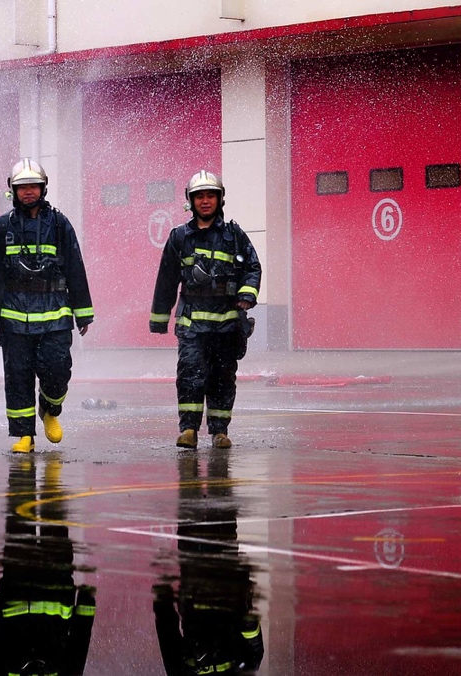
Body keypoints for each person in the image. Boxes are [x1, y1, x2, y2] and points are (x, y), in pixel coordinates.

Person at [0, 159, 94, 453]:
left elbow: (75, 268)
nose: (28, 192)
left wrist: (82, 310)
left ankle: (50, 409)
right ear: (13, 191)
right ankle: (24, 435)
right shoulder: (0, 227)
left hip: (55, 314)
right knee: (17, 376)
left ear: (43, 188)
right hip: (14, 317)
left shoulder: (59, 224)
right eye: (22, 187)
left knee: (57, 369)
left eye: (33, 186)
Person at [149, 170, 261, 450]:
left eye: (211, 195)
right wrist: (159, 318)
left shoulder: (234, 236)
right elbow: (166, 279)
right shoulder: (179, 238)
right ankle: (188, 429)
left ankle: (220, 431)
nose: (206, 201)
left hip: (226, 323)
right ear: (191, 201)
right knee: (190, 373)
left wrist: (248, 293)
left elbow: (252, 267)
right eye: (200, 196)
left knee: (222, 376)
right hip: (192, 323)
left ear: (220, 199)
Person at [0, 457, 96, 675]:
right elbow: (79, 645)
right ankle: (52, 470)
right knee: (53, 520)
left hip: (17, 584)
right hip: (55, 583)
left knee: (19, 520)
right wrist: (86, 608)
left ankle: (22, 468)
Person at [153, 449, 264, 674]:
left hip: (196, 590)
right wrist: (250, 630)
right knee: (222, 513)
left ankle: (190, 462)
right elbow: (254, 656)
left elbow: (168, 640)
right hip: (228, 587)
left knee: (190, 514)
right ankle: (217, 459)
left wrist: (163, 603)